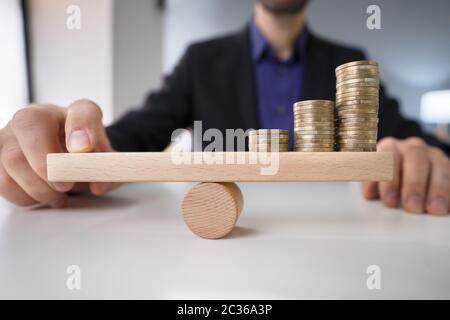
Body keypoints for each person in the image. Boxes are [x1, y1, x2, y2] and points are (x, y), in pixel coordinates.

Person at [0, 0, 448, 215]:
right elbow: (131, 137)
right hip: (222, 236)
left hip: (333, 234)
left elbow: (410, 137)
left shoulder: (349, 61)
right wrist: (70, 150)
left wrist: (425, 154)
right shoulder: (201, 59)